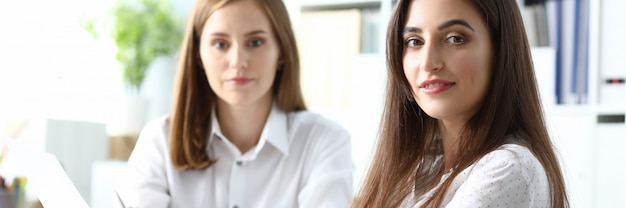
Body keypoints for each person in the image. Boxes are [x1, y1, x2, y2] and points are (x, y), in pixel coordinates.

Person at [123, 0, 355, 207]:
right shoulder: (159, 142)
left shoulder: (325, 142)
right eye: (220, 44)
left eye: (255, 42)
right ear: (198, 55)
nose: (237, 62)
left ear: (281, 51)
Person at [352, 0, 569, 207]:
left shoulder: (509, 167)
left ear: (500, 50)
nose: (428, 63)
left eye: (455, 38)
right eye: (414, 41)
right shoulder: (417, 168)